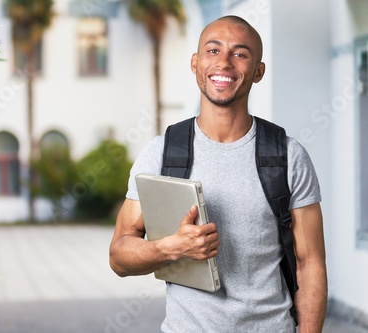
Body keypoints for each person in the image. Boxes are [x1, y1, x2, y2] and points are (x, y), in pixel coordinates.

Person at [109, 15, 327, 333]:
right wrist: (170, 248)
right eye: (213, 51)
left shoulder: (288, 156)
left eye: (240, 53)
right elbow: (119, 257)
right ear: (195, 63)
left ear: (258, 71)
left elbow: (311, 264)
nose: (223, 63)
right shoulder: (161, 153)